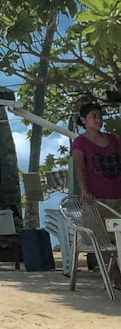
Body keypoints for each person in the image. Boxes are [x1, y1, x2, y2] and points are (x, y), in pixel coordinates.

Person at [71, 102, 121, 287]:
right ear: (84, 120)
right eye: (94, 117)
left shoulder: (114, 139)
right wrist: (84, 190)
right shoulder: (80, 142)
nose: (98, 120)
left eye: (100, 116)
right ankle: (116, 275)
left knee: (118, 237)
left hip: (117, 195)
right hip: (96, 199)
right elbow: (80, 168)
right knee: (102, 239)